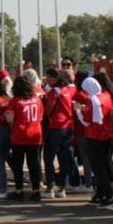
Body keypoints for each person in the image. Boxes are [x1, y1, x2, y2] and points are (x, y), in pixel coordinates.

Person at [4, 76, 44, 202]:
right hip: (35, 134)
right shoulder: (37, 100)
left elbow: (10, 119)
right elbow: (41, 117)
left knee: (18, 165)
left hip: (19, 135)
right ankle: (36, 190)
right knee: (34, 164)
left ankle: (19, 190)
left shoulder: (15, 101)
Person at [79, 74, 113, 208]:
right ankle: (102, 193)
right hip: (106, 134)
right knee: (104, 164)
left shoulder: (92, 100)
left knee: (98, 168)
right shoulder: (106, 95)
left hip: (94, 135)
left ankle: (107, 195)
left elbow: (87, 121)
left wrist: (79, 112)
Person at [43, 68, 76, 199]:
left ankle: (50, 187)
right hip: (68, 126)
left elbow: (48, 110)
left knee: (49, 157)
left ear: (54, 78)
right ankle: (62, 188)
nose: (46, 80)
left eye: (48, 77)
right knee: (64, 157)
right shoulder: (68, 90)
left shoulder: (54, 92)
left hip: (55, 126)